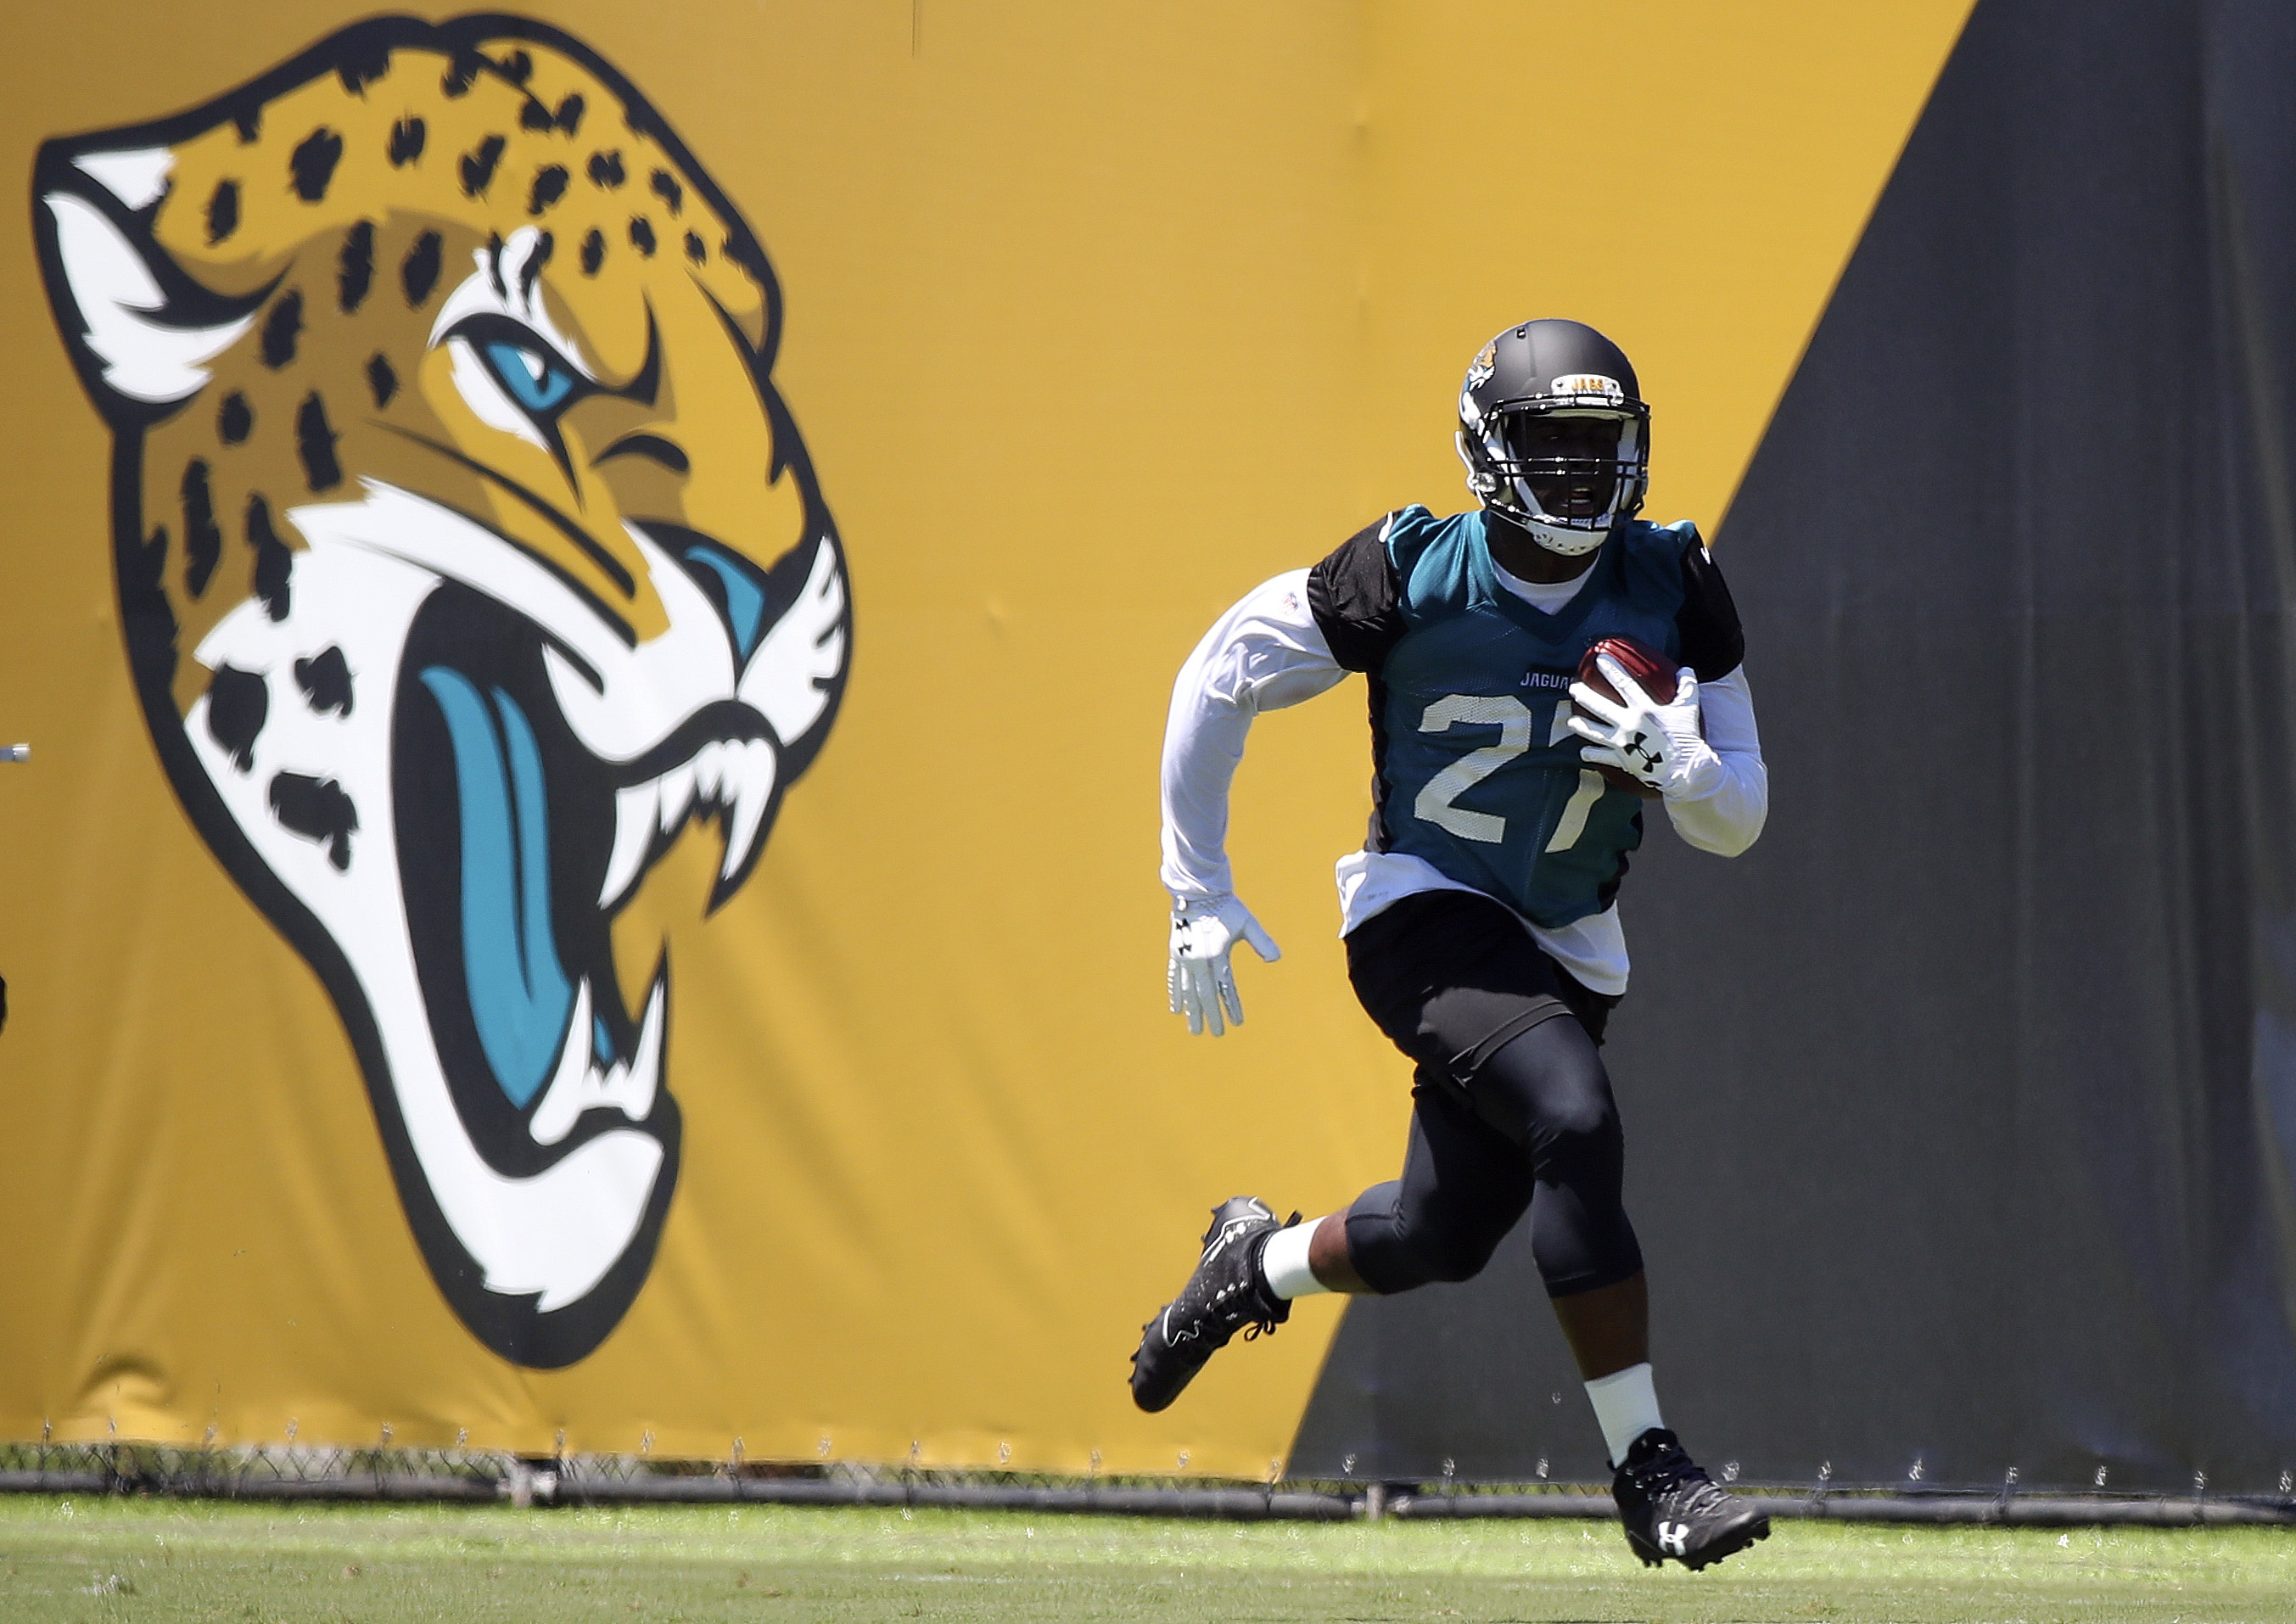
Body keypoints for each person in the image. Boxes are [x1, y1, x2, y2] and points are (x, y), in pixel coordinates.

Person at [1128, 319, 1770, 1571]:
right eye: (1554, 445)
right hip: (1420, 906)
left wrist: (1684, 766)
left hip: (1563, 942)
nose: (1583, 474)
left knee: (1440, 1231)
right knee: (1573, 1118)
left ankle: (1248, 1262)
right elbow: (1217, 673)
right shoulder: (1410, 570)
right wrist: (1191, 883)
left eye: (1601, 446)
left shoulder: (1674, 576)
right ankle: (1651, 1469)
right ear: (1491, 450)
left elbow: (1738, 818)